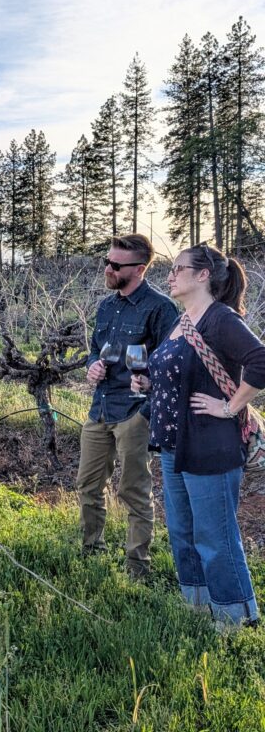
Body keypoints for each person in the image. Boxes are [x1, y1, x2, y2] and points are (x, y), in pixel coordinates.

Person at [132, 244, 263, 626]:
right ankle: (198, 608)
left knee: (214, 536)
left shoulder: (219, 319)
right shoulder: (183, 320)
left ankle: (236, 618)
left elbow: (260, 360)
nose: (170, 275)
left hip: (210, 446)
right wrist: (149, 383)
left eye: (178, 269)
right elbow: (180, 373)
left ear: (203, 275)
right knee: (182, 532)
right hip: (174, 446)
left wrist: (229, 406)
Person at [78, 234, 178, 577]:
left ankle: (138, 566)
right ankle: (91, 551)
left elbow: (172, 362)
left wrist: (148, 386)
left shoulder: (161, 308)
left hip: (134, 412)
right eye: (107, 261)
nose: (108, 269)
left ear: (139, 269)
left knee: (133, 491)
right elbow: (96, 348)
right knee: (88, 485)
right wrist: (92, 364)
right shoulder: (107, 306)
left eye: (116, 265)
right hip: (100, 408)